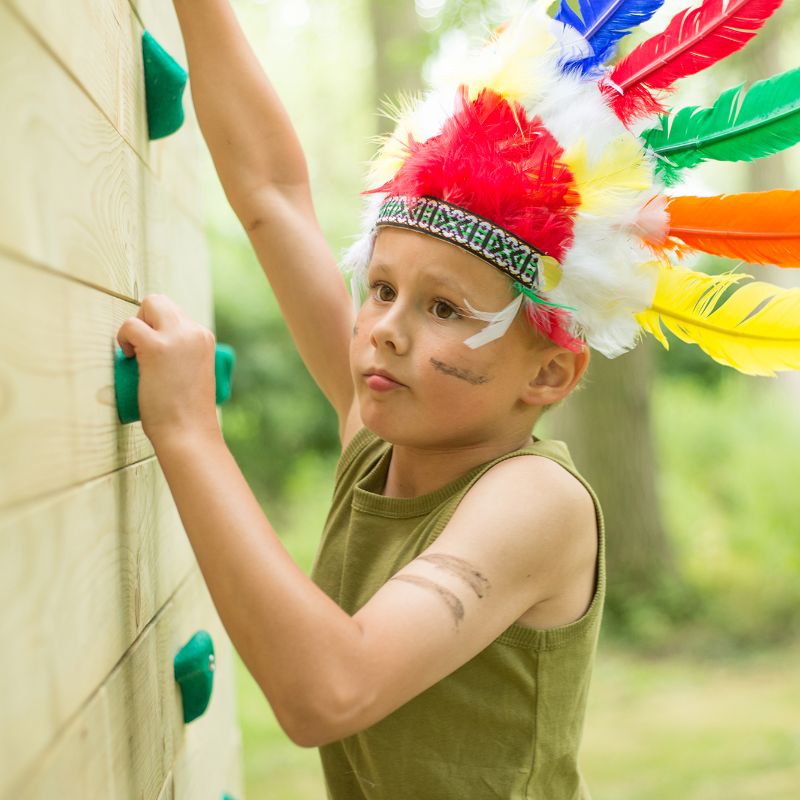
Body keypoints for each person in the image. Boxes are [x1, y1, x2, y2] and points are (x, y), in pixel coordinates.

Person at [116, 1, 800, 797]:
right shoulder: (382, 431)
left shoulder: (537, 501)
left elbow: (330, 692)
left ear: (547, 375)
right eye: (379, 289)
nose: (385, 331)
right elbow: (272, 189)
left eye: (445, 309)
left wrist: (191, 430)